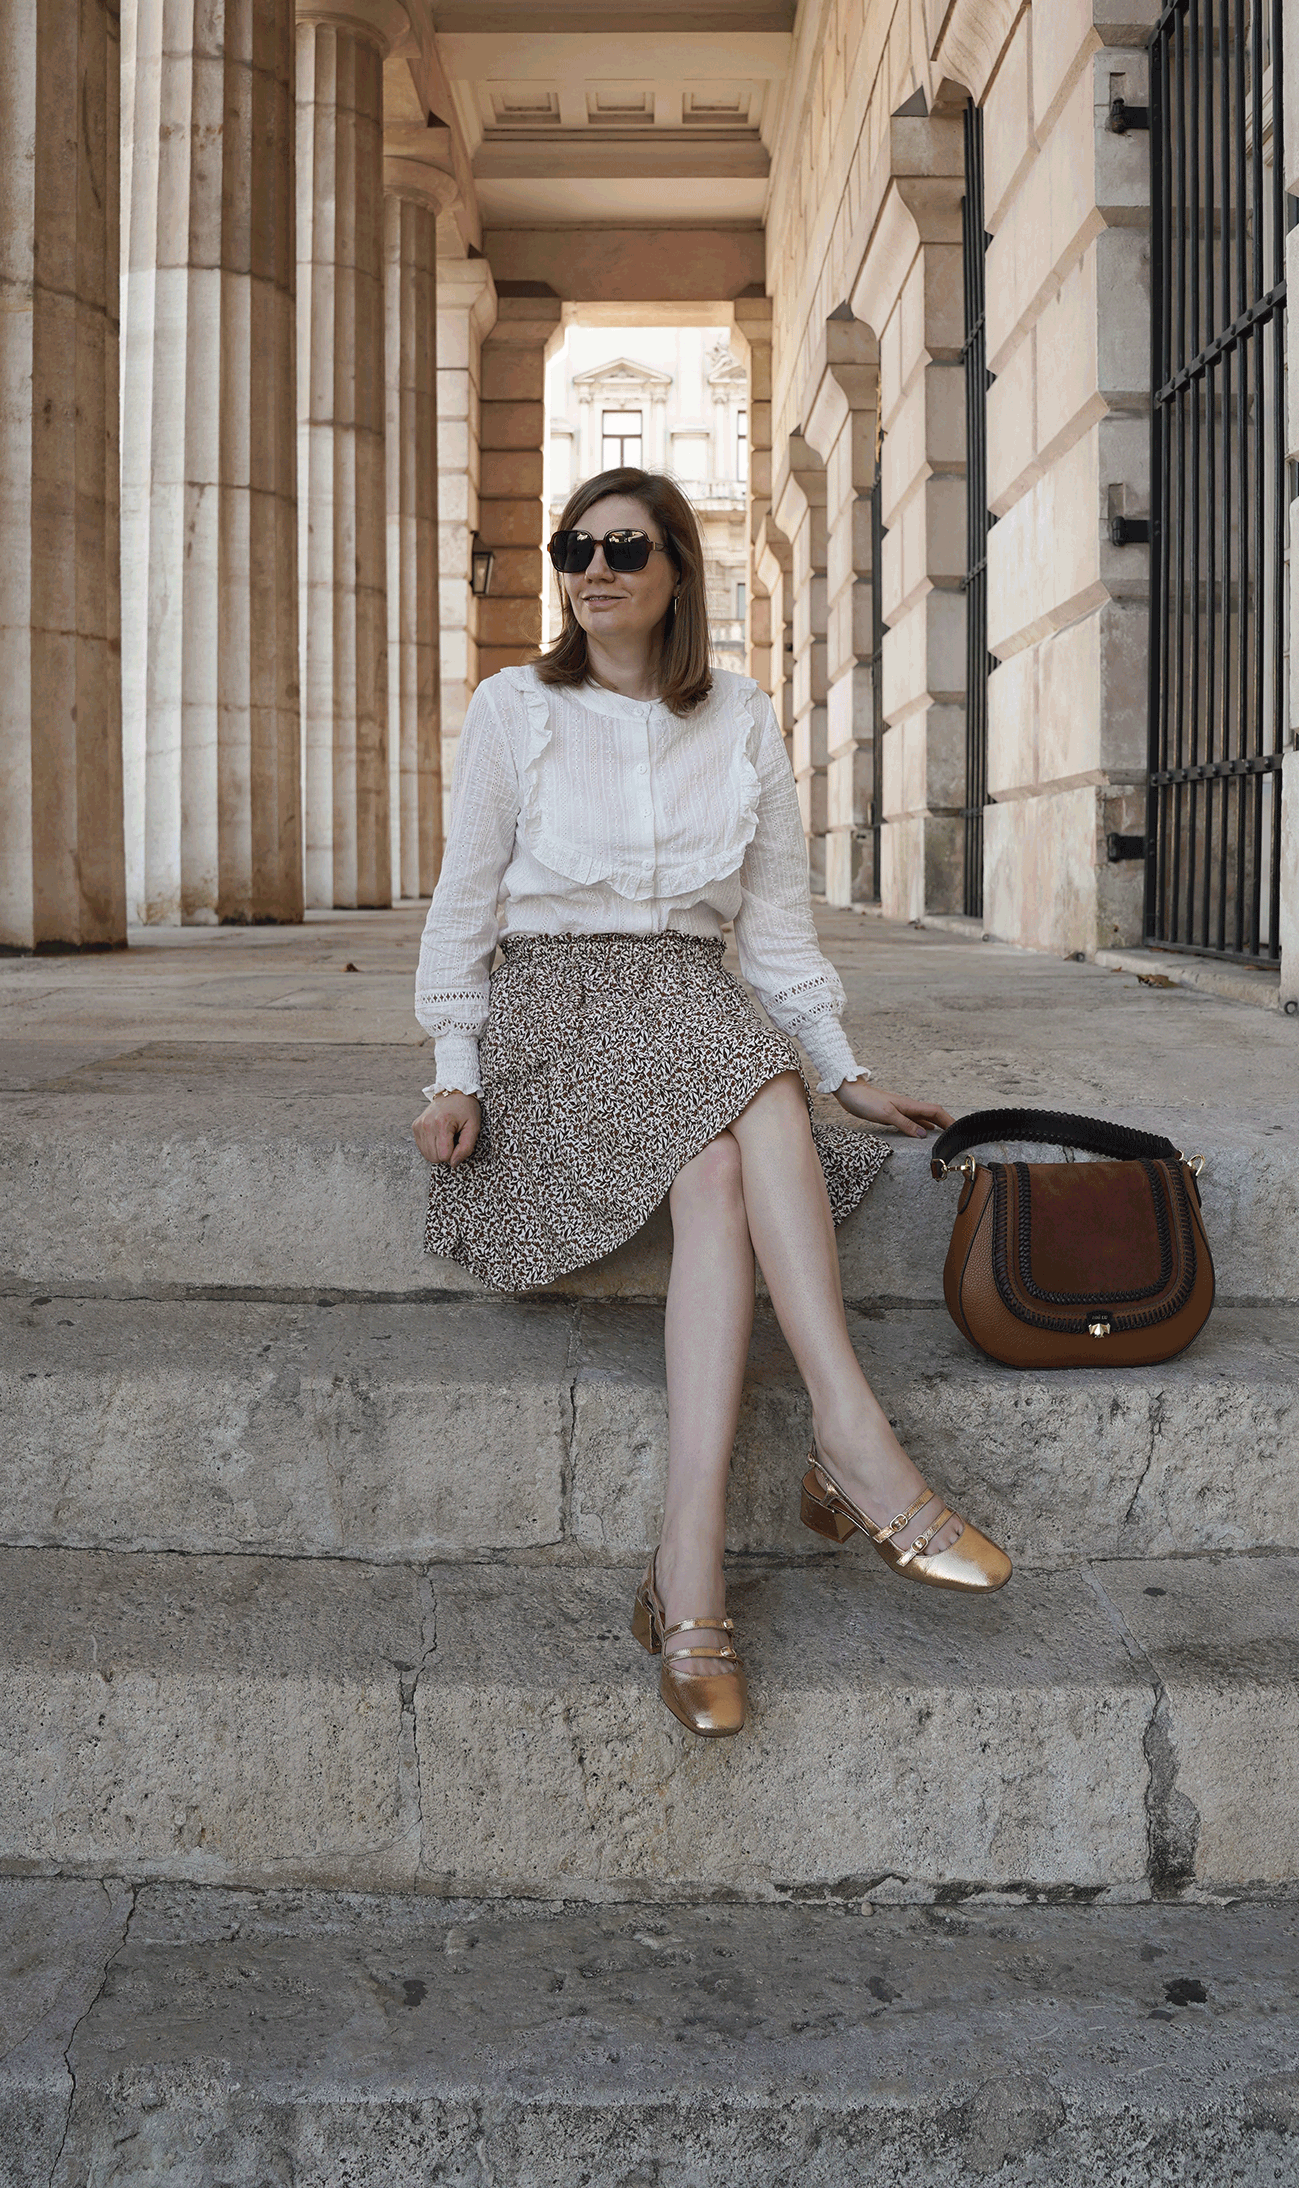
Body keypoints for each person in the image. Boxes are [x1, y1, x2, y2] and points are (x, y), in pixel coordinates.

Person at [412, 467, 1009, 1740]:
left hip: (691, 998)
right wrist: (454, 1068)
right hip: (556, 1014)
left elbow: (776, 929)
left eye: (624, 547)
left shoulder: (737, 714)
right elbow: (464, 904)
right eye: (574, 547)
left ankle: (687, 1571)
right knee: (750, 1084)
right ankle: (852, 1445)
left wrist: (842, 1067)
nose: (593, 568)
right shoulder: (514, 707)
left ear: (677, 566)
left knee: (728, 1155)